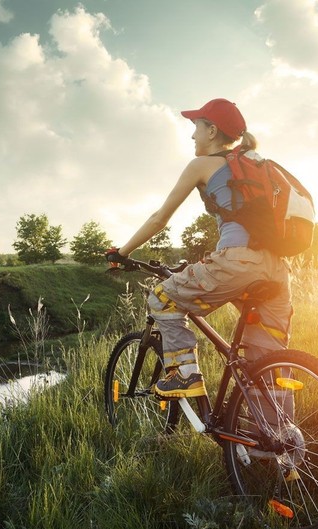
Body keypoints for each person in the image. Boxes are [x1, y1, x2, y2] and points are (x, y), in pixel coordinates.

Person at [106, 98, 292, 399]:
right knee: (266, 365)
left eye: (196, 127)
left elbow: (159, 219)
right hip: (277, 270)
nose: (192, 135)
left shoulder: (202, 165)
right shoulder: (255, 166)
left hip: (237, 263)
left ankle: (185, 374)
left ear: (212, 131)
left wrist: (122, 252)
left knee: (161, 298)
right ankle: (277, 442)